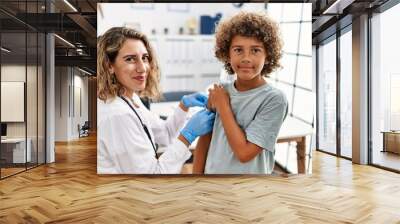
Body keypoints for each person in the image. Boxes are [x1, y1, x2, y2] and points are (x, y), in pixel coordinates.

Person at [97, 27, 215, 174]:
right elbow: (152, 175)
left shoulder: (129, 97)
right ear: (109, 66)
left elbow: (165, 135)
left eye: (144, 58)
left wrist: (183, 106)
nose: (142, 68)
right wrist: (187, 135)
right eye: (130, 59)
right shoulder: (117, 115)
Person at [193, 12, 288, 174]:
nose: (246, 58)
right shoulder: (220, 91)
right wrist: (196, 179)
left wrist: (223, 106)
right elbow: (205, 139)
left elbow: (244, 154)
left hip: (249, 189)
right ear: (227, 53)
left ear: (268, 54)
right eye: (238, 50)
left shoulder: (274, 99)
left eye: (255, 50)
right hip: (213, 183)